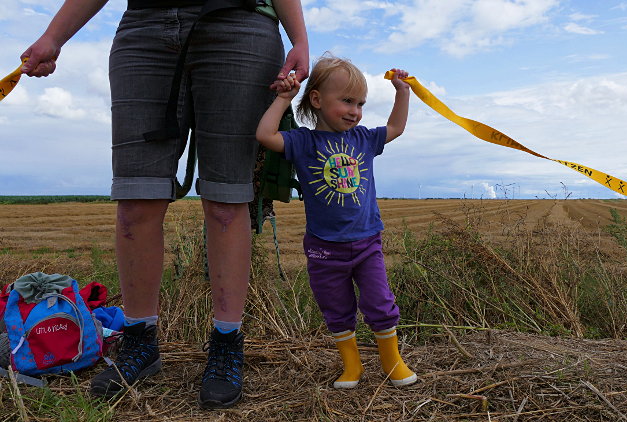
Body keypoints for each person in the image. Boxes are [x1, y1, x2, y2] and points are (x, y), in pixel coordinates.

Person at [20, 0, 309, 409]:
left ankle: (227, 344)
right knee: (135, 200)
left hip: (241, 25)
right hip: (145, 25)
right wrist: (53, 35)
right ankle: (140, 343)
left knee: (228, 200)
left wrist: (299, 37)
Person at [255, 55, 417, 388]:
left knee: (379, 302)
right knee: (335, 306)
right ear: (316, 99)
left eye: (360, 103)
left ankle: (392, 361)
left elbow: (397, 127)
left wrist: (402, 92)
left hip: (367, 242)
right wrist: (283, 98)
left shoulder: (364, 139)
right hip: (324, 247)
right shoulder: (303, 142)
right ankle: (352, 366)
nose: (355, 111)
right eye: (346, 101)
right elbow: (265, 135)